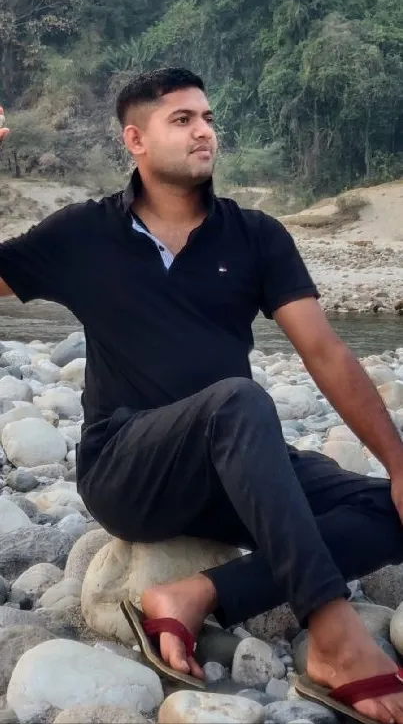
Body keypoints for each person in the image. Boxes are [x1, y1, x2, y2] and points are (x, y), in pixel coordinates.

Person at [1, 69, 403, 723]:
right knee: (239, 402)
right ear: (134, 139)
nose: (204, 131)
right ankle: (333, 635)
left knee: (386, 509)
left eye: (207, 117)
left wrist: (397, 462)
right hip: (127, 467)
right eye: (182, 119)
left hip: (236, 462)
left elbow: (325, 351)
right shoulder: (82, 235)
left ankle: (196, 595)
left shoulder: (254, 236)